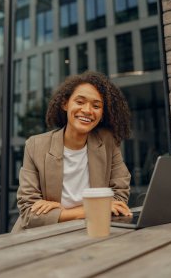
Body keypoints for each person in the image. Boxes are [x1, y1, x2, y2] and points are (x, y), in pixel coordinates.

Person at [12, 71, 132, 232]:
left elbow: (119, 201)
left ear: (102, 113)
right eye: (80, 102)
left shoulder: (108, 142)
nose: (88, 110)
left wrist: (62, 211)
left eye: (96, 106)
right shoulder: (35, 145)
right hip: (40, 238)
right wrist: (89, 210)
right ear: (65, 104)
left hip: (91, 231)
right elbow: (29, 214)